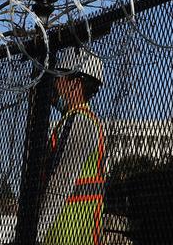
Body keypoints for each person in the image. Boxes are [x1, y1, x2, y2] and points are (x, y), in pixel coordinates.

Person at [37, 47, 106, 245]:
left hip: (68, 234)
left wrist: (36, 233)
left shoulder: (80, 123)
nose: (55, 83)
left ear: (74, 84)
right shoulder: (75, 120)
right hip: (66, 233)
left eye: (60, 77)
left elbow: (61, 184)